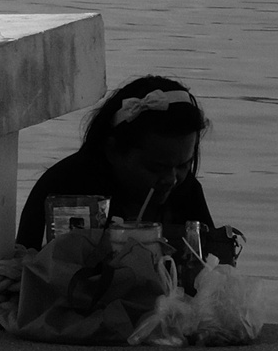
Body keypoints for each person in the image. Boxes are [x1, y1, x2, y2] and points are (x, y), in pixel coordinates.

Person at [17, 76, 237, 259]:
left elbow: (208, 268)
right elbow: (27, 271)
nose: (171, 178)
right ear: (113, 151)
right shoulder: (65, 188)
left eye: (183, 165)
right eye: (155, 168)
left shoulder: (186, 191)